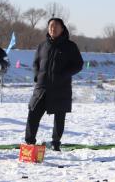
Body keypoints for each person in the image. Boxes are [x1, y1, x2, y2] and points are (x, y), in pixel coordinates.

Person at [24, 18, 84, 151]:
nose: (53, 29)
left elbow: (79, 64)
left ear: (62, 28)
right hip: (42, 87)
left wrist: (64, 75)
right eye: (51, 26)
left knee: (59, 117)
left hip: (60, 88)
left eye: (56, 26)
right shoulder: (42, 46)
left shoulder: (70, 46)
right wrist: (37, 76)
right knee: (33, 114)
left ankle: (55, 143)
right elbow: (36, 63)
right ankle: (29, 142)